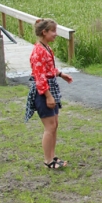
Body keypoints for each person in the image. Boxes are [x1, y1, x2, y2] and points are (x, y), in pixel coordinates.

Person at [24, 19, 74, 169]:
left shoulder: (46, 48)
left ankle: (53, 156)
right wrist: (48, 96)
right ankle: (48, 160)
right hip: (43, 91)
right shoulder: (38, 51)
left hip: (51, 87)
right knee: (49, 127)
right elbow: (39, 77)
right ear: (44, 32)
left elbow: (49, 69)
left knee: (54, 125)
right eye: (53, 31)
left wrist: (60, 74)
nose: (55, 34)